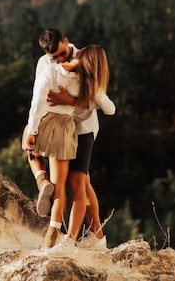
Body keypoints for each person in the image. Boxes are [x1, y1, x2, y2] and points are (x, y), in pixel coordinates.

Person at [45, 45, 115, 256]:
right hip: (70, 133)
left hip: (84, 134)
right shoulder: (74, 72)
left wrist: (75, 102)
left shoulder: (93, 86)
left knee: (77, 183)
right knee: (83, 183)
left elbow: (110, 109)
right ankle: (97, 238)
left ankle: (70, 240)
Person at [23, 29, 79, 250]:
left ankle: (40, 180)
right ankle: (51, 239)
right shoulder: (81, 62)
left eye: (60, 54)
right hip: (65, 124)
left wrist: (33, 130)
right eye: (53, 57)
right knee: (60, 186)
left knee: (30, 150)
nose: (58, 59)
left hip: (46, 118)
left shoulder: (48, 68)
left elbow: (37, 100)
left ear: (66, 41)